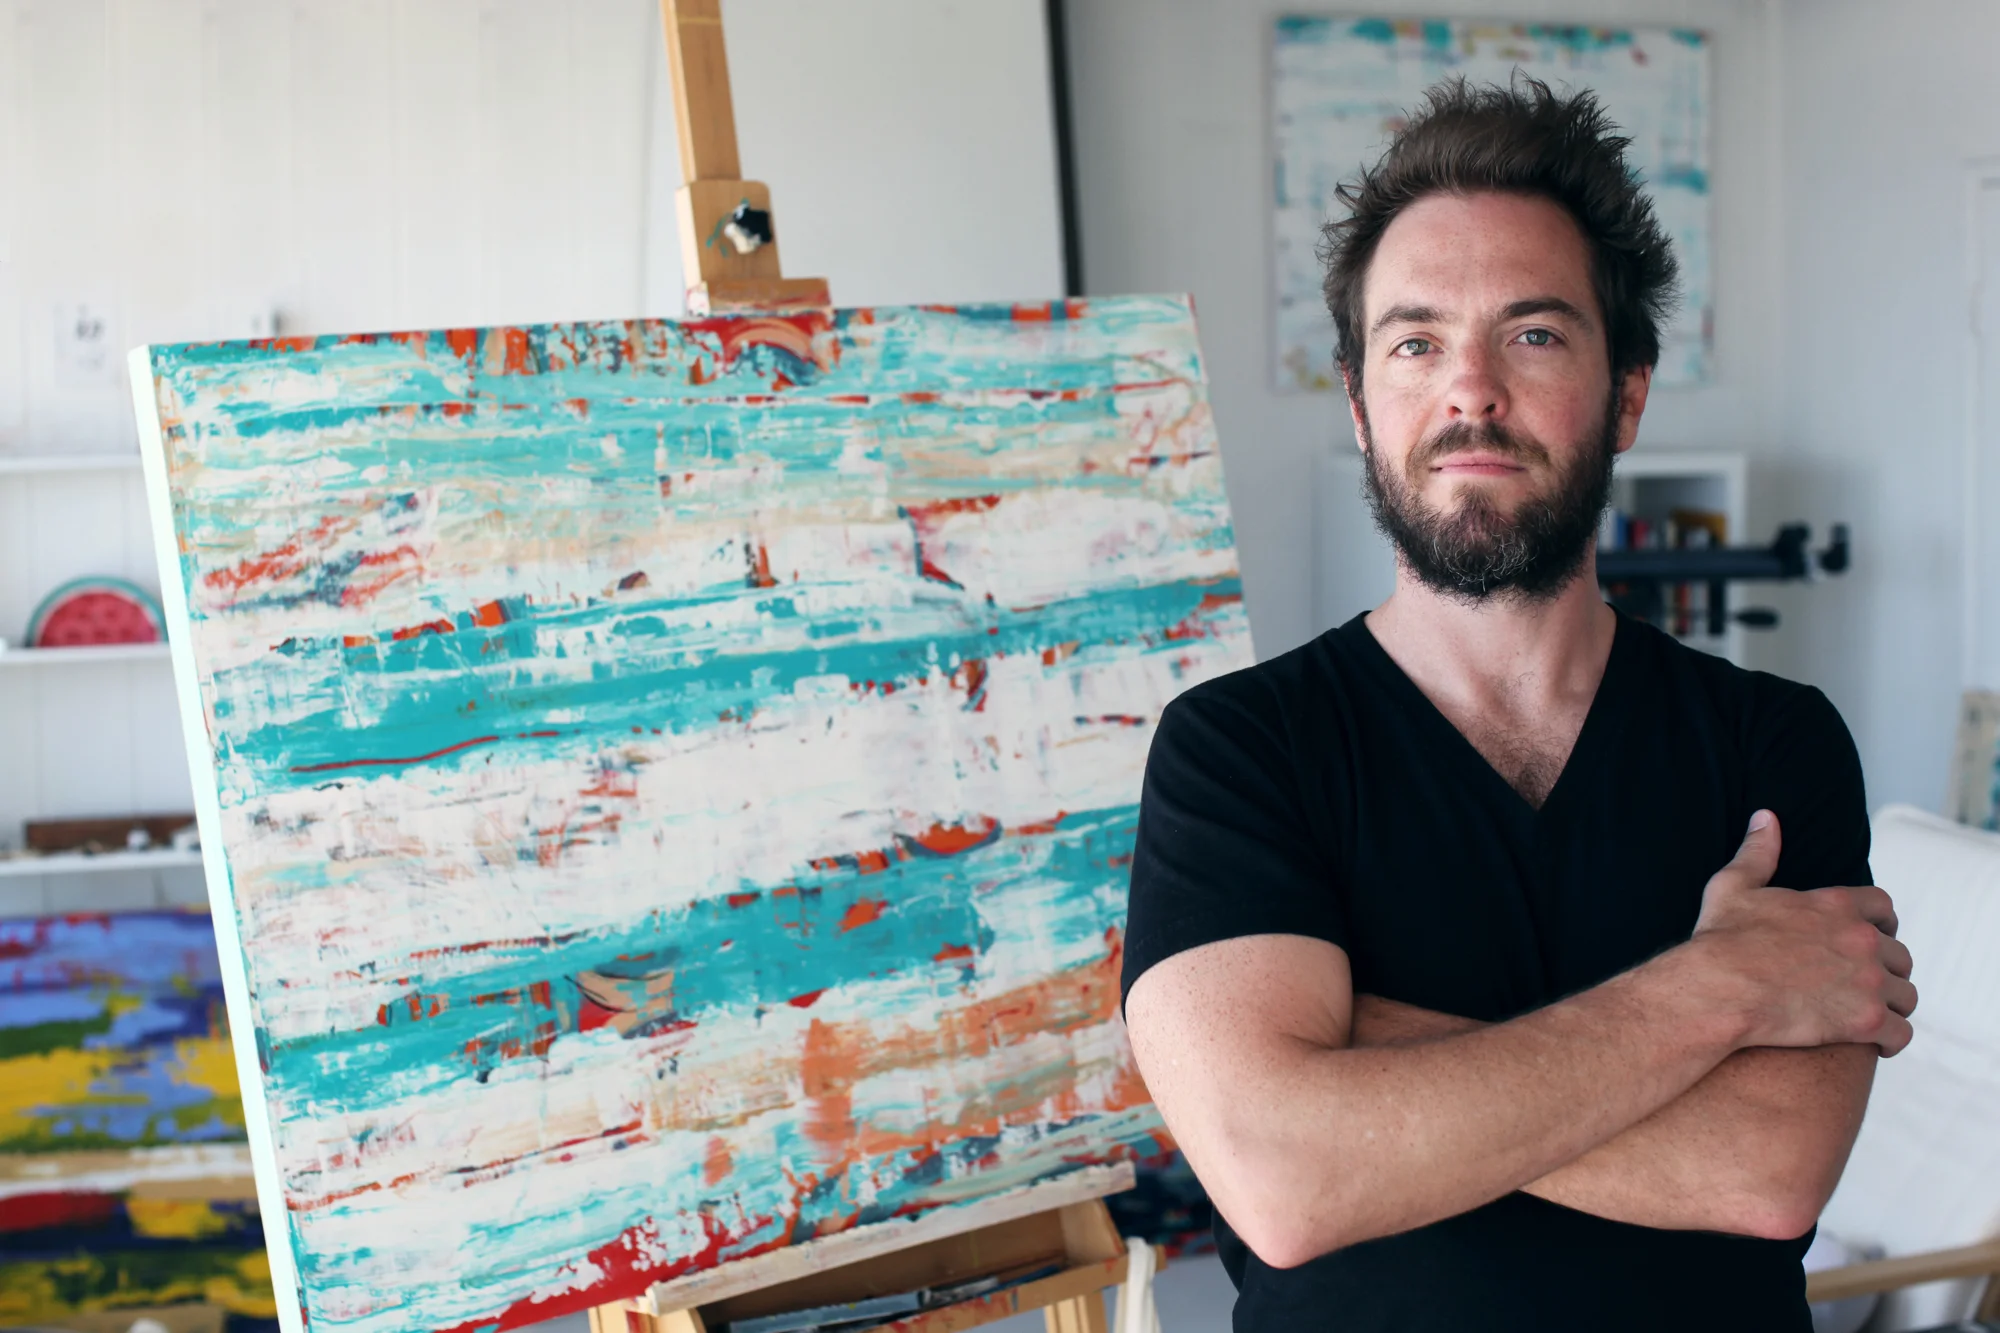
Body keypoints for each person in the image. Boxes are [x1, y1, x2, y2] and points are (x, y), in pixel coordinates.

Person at [1120, 76, 1917, 1332]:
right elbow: (1281, 1178)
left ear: (1626, 395)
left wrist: (1358, 1068)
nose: (1470, 391)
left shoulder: (1773, 741)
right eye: (1415, 342)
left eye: (1532, 335)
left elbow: (1765, 1172)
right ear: (1358, 401)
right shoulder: (1239, 749)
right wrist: (1715, 990)